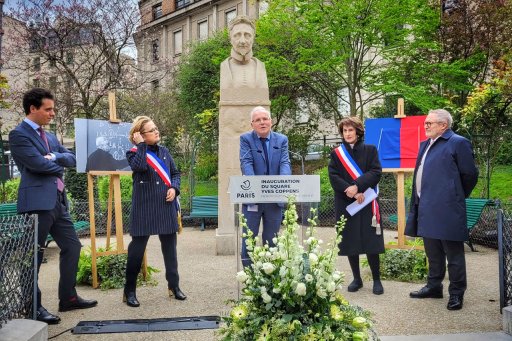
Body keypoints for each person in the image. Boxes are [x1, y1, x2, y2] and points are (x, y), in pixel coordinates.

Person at [8, 88, 97, 325]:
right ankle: (32, 307)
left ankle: (68, 297)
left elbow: (72, 158)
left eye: (53, 109)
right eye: (48, 109)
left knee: (73, 246)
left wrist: (54, 157)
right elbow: (37, 165)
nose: (52, 113)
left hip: (58, 201)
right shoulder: (19, 134)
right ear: (33, 109)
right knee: (32, 257)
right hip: (37, 203)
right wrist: (54, 161)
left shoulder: (49, 136)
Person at [406, 109, 478, 310]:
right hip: (426, 207)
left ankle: (456, 293)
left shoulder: (458, 142)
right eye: (426, 122)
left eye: (430, 123)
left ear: (443, 125)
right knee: (433, 253)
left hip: (448, 209)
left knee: (454, 255)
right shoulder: (425, 145)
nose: (426, 125)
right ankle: (434, 287)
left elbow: (470, 174)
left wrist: (454, 194)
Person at [123, 116, 185, 307]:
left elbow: (175, 174)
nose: (157, 131)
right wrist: (140, 146)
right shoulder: (133, 153)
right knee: (136, 251)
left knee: (170, 250)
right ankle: (129, 291)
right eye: (152, 130)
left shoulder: (165, 152)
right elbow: (139, 166)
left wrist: (174, 189)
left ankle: (174, 286)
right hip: (144, 209)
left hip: (165, 208)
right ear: (140, 136)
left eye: (156, 128)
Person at [328, 117, 384, 295]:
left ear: (358, 132)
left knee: (370, 240)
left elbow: (375, 172)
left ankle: (376, 280)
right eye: (344, 131)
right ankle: (357, 279)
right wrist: (349, 189)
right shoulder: (337, 153)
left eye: (350, 130)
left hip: (367, 200)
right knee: (351, 240)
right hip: (346, 201)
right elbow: (333, 175)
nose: (347, 134)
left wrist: (358, 186)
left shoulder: (370, 150)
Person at [239, 106, 291, 267]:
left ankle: (270, 279)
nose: (262, 122)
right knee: (249, 240)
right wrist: (256, 188)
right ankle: (250, 278)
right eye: (258, 120)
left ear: (271, 121)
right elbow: (246, 162)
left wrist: (282, 184)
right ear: (252, 124)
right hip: (253, 198)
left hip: (275, 199)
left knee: (272, 240)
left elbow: (285, 162)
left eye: (265, 119)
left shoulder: (282, 140)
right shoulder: (246, 139)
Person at [220, 15, 268, 90]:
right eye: (237, 35)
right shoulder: (224, 66)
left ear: (253, 39)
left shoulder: (260, 66)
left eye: (247, 35)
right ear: (230, 40)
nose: (242, 41)